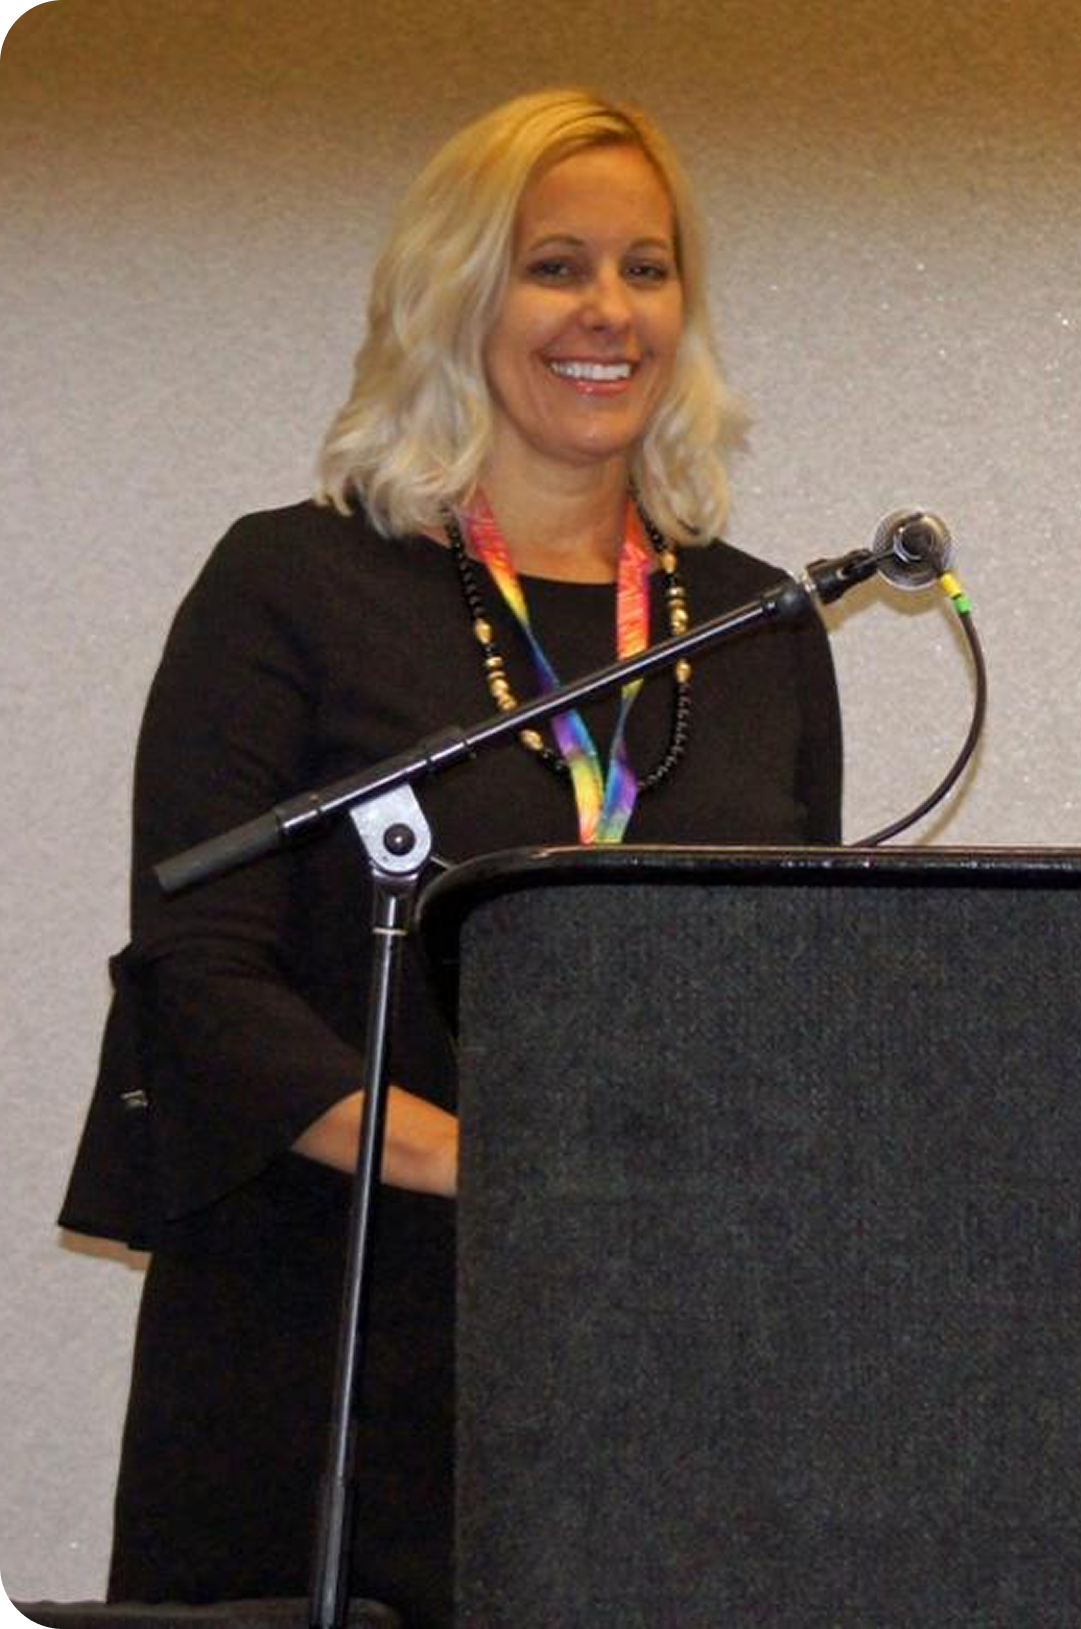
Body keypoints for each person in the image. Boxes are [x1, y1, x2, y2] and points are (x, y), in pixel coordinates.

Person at [59, 88, 841, 1626]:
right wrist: (479, 1167)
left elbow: (800, 995)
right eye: (555, 266)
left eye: (647, 266)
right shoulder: (291, 581)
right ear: (456, 296)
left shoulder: (758, 627)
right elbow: (200, 976)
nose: (608, 310)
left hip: (655, 1360)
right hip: (336, 1336)